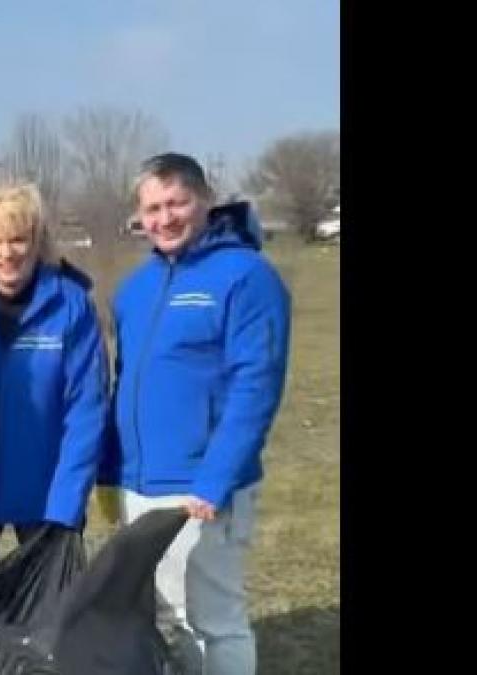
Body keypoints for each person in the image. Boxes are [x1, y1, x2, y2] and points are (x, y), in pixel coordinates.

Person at [95, 153, 291, 675]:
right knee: (164, 613)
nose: (164, 218)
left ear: (204, 200)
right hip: (141, 483)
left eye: (176, 202)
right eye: (152, 208)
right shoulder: (135, 289)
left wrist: (215, 479)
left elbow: (256, 386)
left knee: (213, 618)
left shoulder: (246, 276)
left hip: (201, 485)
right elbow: (125, 385)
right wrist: (111, 473)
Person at [0, 183, 109, 569]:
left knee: (49, 617)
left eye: (18, 240)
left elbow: (86, 412)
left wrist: (66, 507)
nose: (6, 253)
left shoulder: (71, 305)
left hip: (46, 496)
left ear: (37, 242)